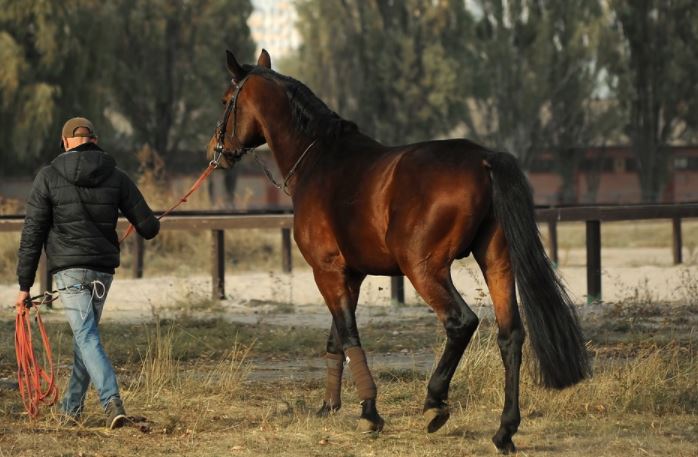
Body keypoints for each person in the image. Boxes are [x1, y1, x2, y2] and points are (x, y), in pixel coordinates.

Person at [15, 117, 160, 429]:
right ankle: (71, 411)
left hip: (69, 271)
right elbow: (148, 227)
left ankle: (111, 401)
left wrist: (24, 285)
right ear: (94, 139)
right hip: (102, 273)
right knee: (86, 337)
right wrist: (147, 217)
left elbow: (32, 235)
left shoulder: (48, 176)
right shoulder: (117, 176)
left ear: (66, 141)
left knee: (86, 336)